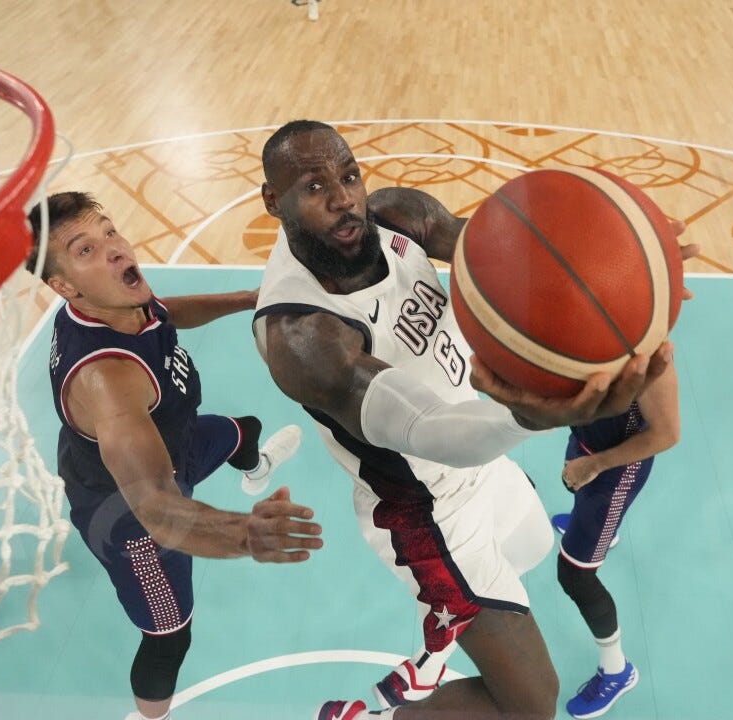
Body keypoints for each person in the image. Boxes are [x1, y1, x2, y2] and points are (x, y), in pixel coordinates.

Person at [252, 120, 693, 720]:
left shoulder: (395, 216)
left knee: (533, 546)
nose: (343, 197)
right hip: (425, 509)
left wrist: (620, 259)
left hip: (483, 464)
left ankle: (445, 617)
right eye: (313, 186)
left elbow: (508, 253)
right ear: (273, 201)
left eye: (349, 174)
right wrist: (529, 418)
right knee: (533, 706)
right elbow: (426, 430)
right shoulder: (303, 334)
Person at [25, 191, 320, 720]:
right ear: (63, 286)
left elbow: (165, 315)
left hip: (173, 442)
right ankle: (147, 716)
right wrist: (245, 534)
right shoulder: (108, 381)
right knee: (168, 638)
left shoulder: (117, 303)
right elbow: (157, 508)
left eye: (109, 231)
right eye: (85, 250)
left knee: (243, 431)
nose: (113, 249)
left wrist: (245, 298)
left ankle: (255, 472)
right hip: (130, 518)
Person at [549, 363, 679, 718]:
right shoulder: (584, 328)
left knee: (574, 575)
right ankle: (599, 530)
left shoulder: (650, 355)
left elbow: (667, 433)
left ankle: (616, 670)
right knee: (576, 485)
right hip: (587, 442)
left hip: (615, 470)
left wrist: (596, 466)